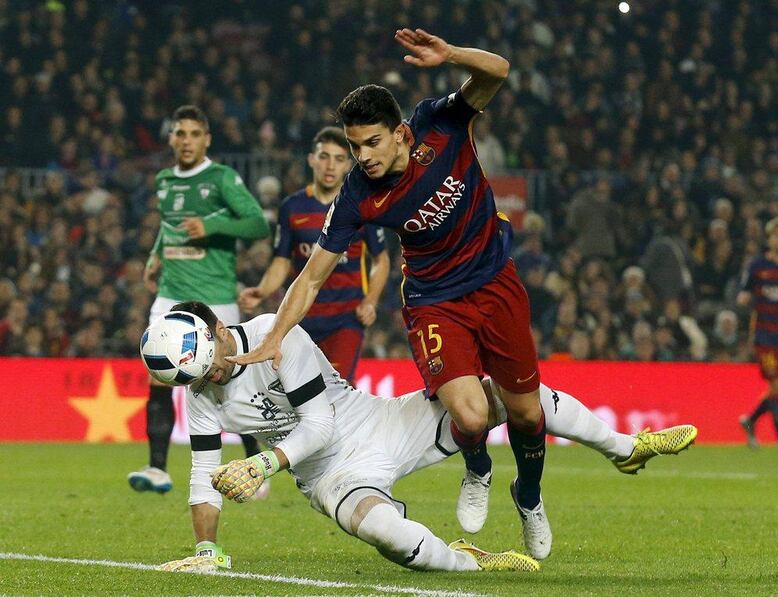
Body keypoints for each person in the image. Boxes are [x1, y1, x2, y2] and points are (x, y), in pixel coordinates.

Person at [225, 28, 695, 559]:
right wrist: (276, 336)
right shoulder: (358, 192)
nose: (363, 157)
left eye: (372, 143)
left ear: (401, 133)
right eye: (355, 147)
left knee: (524, 413)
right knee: (470, 416)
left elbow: (498, 70)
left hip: (496, 282)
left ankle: (530, 496)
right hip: (433, 300)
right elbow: (310, 276)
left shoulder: (441, 122)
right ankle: (477, 468)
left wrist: (451, 55)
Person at [146, 301, 696, 573]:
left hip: (375, 422)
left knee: (502, 395)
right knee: (392, 539)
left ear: (218, 331)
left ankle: (627, 448)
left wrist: (266, 465)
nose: (210, 379)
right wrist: (207, 548)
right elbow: (202, 471)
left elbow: (321, 423)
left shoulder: (273, 333)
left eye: (209, 366)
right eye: (196, 379)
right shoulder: (200, 391)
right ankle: (472, 560)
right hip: (329, 479)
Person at [128, 105, 271, 493]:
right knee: (158, 374)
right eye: (180, 133)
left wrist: (211, 225)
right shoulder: (164, 180)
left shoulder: (222, 178)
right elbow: (168, 226)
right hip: (171, 294)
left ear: (206, 138)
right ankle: (157, 467)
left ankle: (252, 469)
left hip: (215, 298)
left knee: (229, 383)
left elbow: (257, 223)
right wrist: (156, 254)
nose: (186, 140)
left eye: (194, 133)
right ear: (171, 138)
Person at [238, 127, 390, 380]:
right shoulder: (292, 207)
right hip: (301, 317)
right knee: (297, 393)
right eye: (324, 156)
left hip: (346, 319)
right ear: (311, 160)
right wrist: (262, 290)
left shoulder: (362, 205)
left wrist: (371, 301)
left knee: (336, 390)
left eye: (339, 159)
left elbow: (381, 260)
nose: (330, 166)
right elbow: (281, 261)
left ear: (347, 165)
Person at [737, 216, 778, 456]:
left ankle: (750, 421)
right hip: (764, 336)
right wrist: (745, 298)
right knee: (777, 385)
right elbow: (743, 293)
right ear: (769, 239)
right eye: (775, 235)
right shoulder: (758, 266)